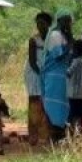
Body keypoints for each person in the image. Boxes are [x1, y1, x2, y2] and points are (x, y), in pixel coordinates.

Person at [41, 9, 73, 141]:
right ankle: (53, 134)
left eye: (70, 21)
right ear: (59, 21)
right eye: (66, 20)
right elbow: (58, 55)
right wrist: (70, 42)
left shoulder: (64, 35)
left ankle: (60, 133)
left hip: (62, 76)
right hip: (53, 76)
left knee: (62, 106)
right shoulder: (55, 35)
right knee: (53, 106)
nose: (69, 23)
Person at [24, 12, 51, 146]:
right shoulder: (33, 40)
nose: (40, 26)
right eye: (38, 23)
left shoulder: (52, 39)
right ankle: (33, 135)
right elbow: (32, 61)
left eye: (43, 23)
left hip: (47, 71)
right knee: (34, 101)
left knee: (46, 103)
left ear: (49, 24)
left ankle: (45, 134)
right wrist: (41, 74)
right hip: (35, 72)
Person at [67, 40, 82, 134]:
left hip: (73, 94)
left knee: (72, 117)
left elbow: (68, 73)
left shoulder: (75, 62)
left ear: (75, 51)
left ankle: (71, 135)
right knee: (81, 117)